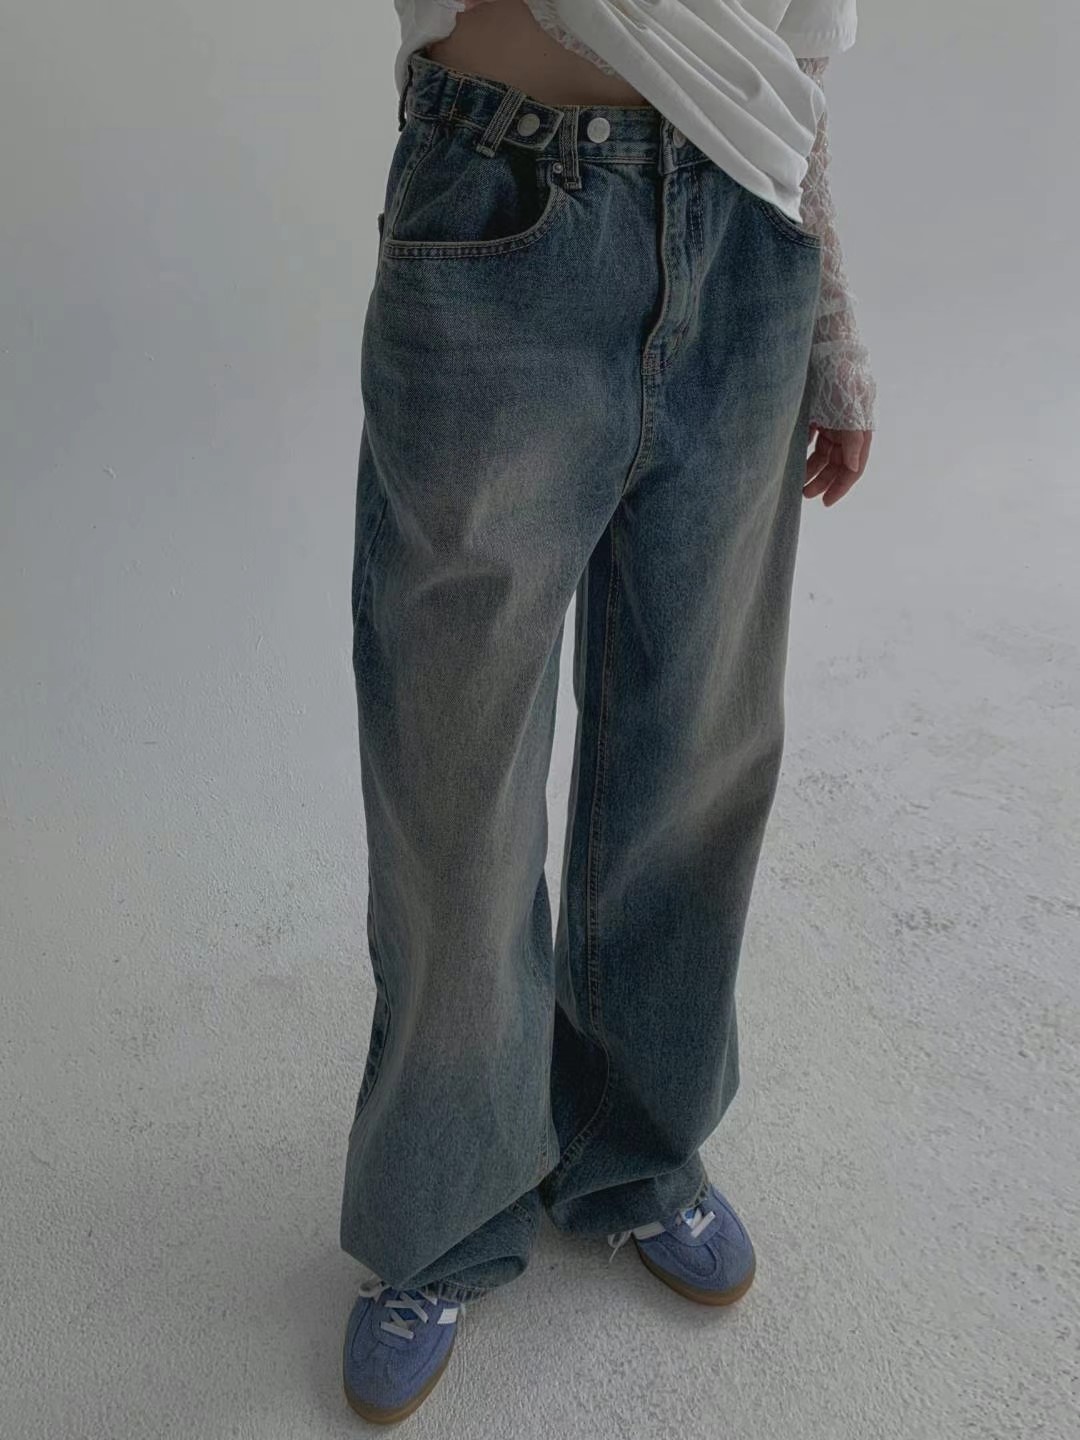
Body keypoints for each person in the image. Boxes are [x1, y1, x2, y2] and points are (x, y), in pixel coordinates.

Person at [340, 0, 876, 1422]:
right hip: (497, 201)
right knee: (452, 765)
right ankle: (443, 1212)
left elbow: (795, 63)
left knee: (694, 743)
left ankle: (635, 1150)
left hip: (745, 230)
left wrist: (833, 326)